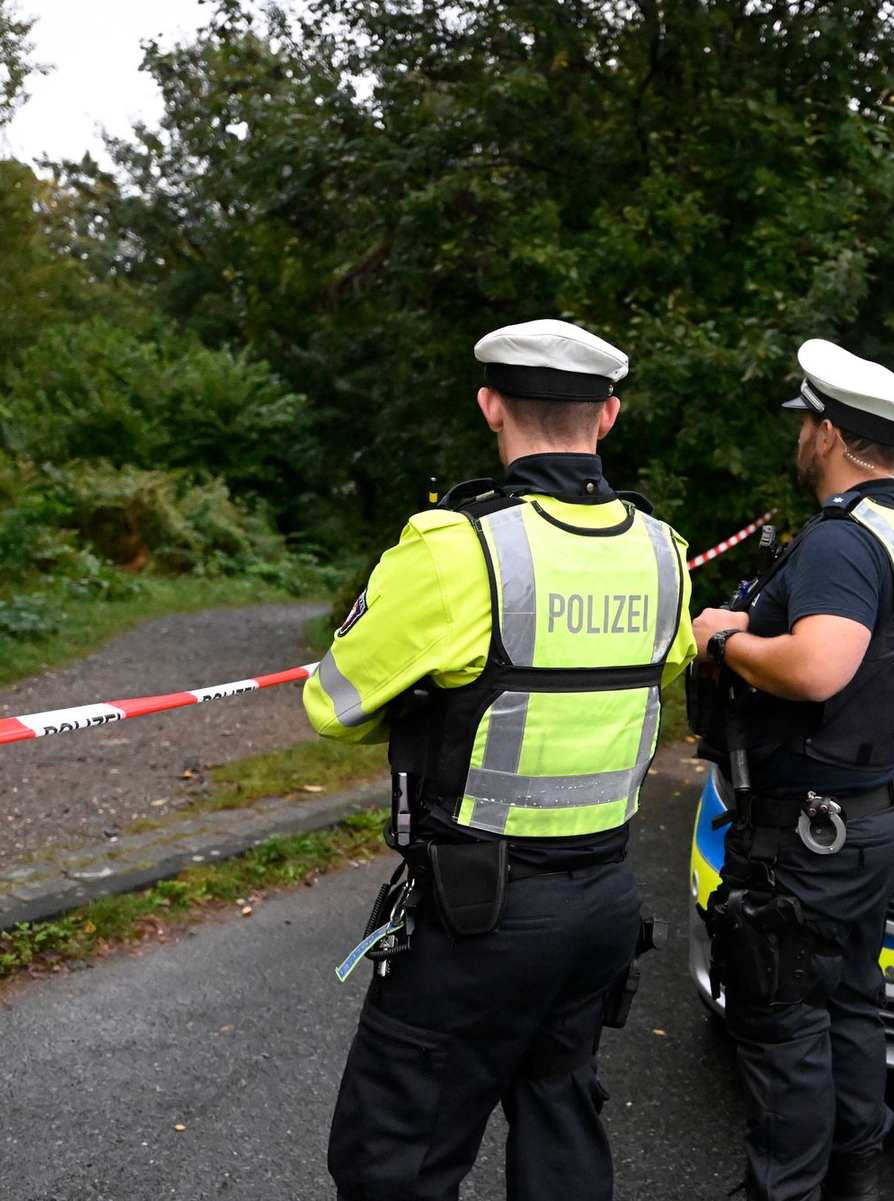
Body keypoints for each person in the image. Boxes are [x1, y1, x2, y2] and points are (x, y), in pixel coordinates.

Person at [304, 317, 695, 1201]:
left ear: (490, 406)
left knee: (393, 1159)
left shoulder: (456, 547)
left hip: (476, 914)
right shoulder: (664, 552)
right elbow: (656, 671)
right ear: (610, 415)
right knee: (561, 1127)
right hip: (603, 902)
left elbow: (333, 703)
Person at [691, 339, 894, 1201]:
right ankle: (852, 1182)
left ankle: (783, 1191)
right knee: (846, 1001)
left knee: (784, 1016)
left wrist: (724, 639)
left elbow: (821, 666)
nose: (800, 435)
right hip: (869, 815)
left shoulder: (840, 541)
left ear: (829, 432)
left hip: (812, 829)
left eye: (806, 422)